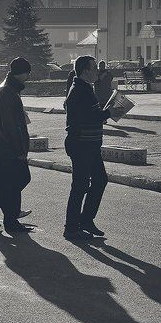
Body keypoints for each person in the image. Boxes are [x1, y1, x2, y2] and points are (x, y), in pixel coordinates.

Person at [63, 55, 121, 240]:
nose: (97, 71)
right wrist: (109, 112)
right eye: (94, 67)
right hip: (81, 144)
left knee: (99, 180)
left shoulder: (85, 87)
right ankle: (71, 227)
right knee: (80, 186)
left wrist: (105, 112)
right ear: (85, 71)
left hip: (90, 144)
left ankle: (86, 220)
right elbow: (89, 116)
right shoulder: (79, 90)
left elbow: (91, 113)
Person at [0, 57, 33, 233]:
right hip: (9, 146)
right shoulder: (7, 91)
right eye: (27, 73)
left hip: (8, 144)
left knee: (13, 182)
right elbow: (9, 124)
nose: (28, 77)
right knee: (20, 179)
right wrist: (19, 147)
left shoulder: (9, 88)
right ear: (22, 73)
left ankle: (9, 218)